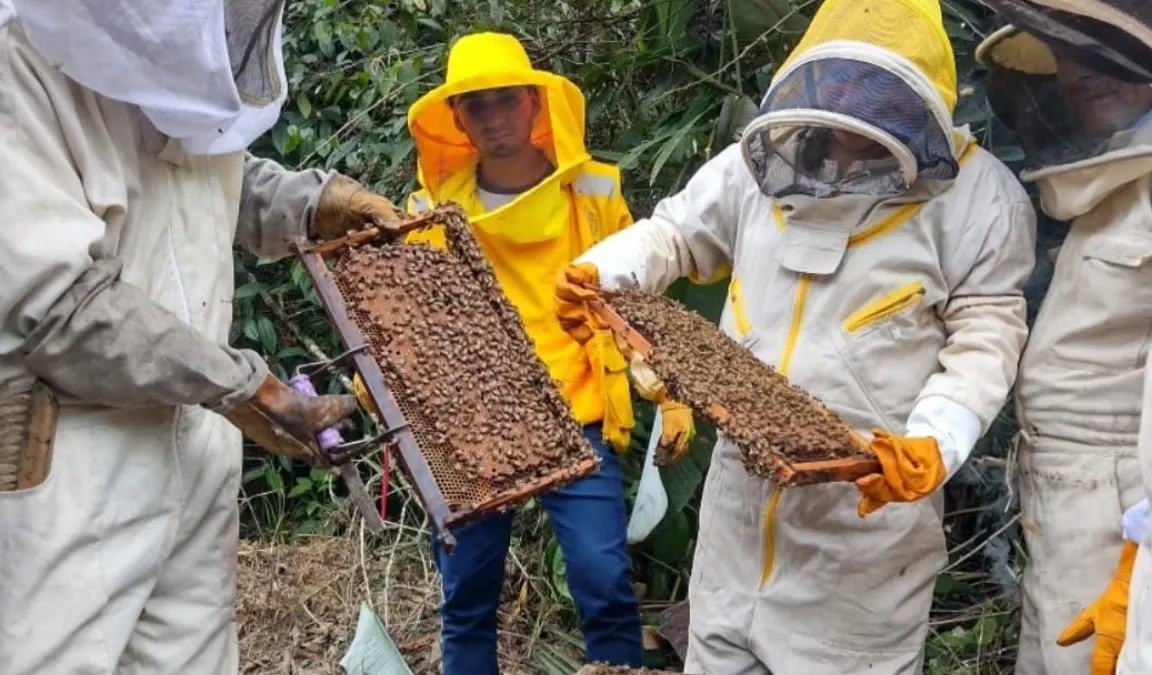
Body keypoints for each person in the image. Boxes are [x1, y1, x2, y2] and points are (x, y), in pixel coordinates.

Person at [553, 0, 1037, 671]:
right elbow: (675, 234)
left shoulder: (981, 198)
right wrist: (603, 271)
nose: (856, 106)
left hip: (862, 536)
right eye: (844, 80)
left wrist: (937, 438)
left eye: (881, 89)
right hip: (737, 516)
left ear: (922, 95)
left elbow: (986, 333)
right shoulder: (760, 160)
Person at [0, 2, 408, 673]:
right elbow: (58, 306)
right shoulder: (21, 63)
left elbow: (211, 173)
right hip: (70, 460)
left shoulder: (170, 69)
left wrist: (315, 202)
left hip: (199, 445)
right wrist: (246, 389)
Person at [400, 31, 688, 675]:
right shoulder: (428, 211)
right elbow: (410, 324)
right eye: (477, 105)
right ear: (457, 119)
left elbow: (635, 301)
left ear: (534, 103)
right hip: (475, 423)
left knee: (603, 581)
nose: (495, 117)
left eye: (508, 99)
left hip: (577, 409)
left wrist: (669, 391)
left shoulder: (594, 191)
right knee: (467, 594)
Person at [978, 2, 1152, 675]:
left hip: (1128, 508)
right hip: (1065, 501)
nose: (1075, 71)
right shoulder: (1114, 175)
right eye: (1064, 51)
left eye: (1097, 49)